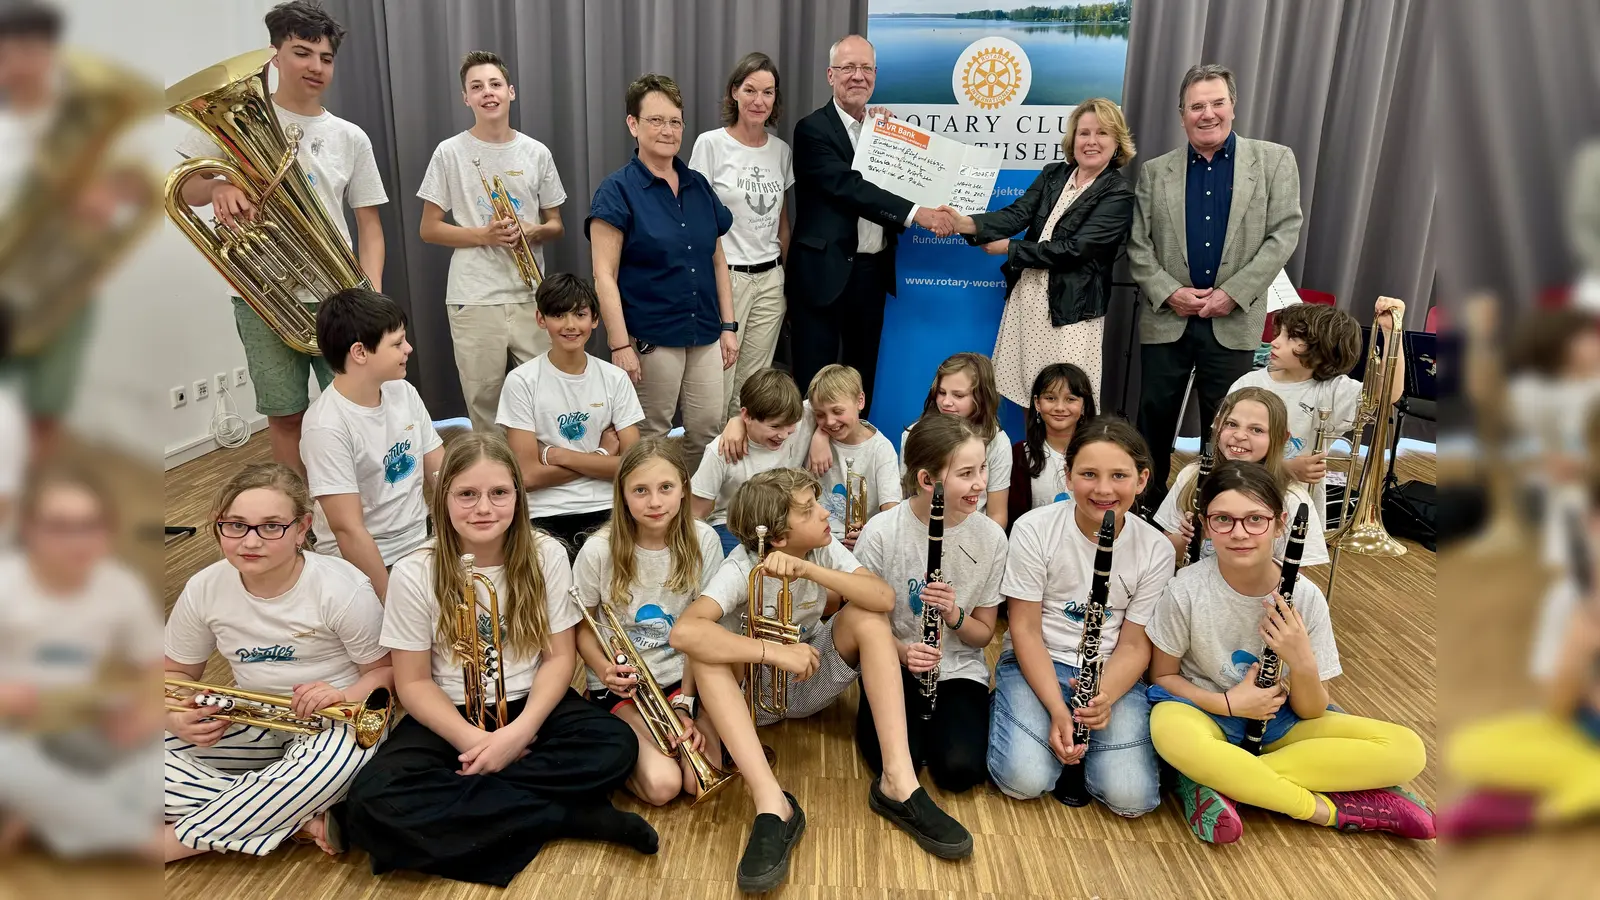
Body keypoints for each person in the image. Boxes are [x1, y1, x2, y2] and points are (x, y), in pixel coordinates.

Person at [337, 433, 653, 886]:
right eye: (467, 494)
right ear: (442, 498)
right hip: (450, 713)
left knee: (615, 746)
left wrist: (515, 736)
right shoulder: (413, 571)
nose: (483, 508)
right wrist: (474, 739)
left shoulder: (546, 554)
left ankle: (466, 812)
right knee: (372, 801)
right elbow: (413, 683)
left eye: (499, 493)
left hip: (531, 703)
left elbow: (558, 660)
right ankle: (564, 816)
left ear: (518, 497)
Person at [668, 467, 971, 893]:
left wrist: (809, 571)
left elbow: (883, 597)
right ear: (777, 537)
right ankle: (772, 805)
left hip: (808, 678)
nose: (826, 513)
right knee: (706, 654)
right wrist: (772, 652)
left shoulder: (823, 549)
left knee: (868, 616)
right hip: (751, 699)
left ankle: (898, 783)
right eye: (809, 510)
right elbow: (683, 633)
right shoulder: (741, 567)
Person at [1145, 460, 1433, 844]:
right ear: (1206, 525)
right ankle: (1326, 809)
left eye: (1255, 520)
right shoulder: (1186, 589)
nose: (1239, 532)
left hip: (1278, 721)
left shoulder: (1306, 597)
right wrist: (1228, 704)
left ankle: (1220, 780)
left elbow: (1312, 709)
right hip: (1204, 711)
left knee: (1407, 750)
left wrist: (1300, 658)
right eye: (1223, 520)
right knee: (1168, 731)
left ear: (1280, 524)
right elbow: (1162, 677)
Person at [175, 0, 389, 476]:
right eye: (302, 53)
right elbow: (186, 188)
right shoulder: (232, 119)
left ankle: (366, 501)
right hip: (263, 294)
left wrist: (370, 292)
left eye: (326, 58)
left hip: (338, 292)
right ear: (275, 56)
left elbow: (370, 224)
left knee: (357, 406)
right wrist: (219, 185)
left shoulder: (350, 137)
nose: (316, 66)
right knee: (286, 413)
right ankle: (298, 508)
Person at [163, 463, 393, 862]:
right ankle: (296, 821)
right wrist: (175, 716)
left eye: (271, 526)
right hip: (251, 716)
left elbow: (386, 672)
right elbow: (175, 674)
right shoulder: (203, 588)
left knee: (326, 771)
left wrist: (342, 694)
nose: (250, 541)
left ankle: (168, 845)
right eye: (236, 525)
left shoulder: (341, 587)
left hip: (337, 721)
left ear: (302, 528)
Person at [1127, 63, 1303, 506]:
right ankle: (1146, 510)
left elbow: (1283, 234)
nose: (1207, 114)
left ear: (1233, 106)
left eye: (1217, 103)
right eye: (1196, 106)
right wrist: (1170, 292)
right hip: (1167, 319)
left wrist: (1233, 294)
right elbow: (1138, 244)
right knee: (1153, 422)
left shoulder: (1274, 161)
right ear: (1182, 114)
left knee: (1230, 430)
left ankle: (1220, 511)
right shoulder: (1155, 171)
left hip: (1234, 320)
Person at [986, 418, 1169, 815]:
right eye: (1088, 474)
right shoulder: (1034, 529)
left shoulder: (1156, 549)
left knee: (1132, 798)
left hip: (1110, 671)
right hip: (1038, 660)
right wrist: (1057, 708)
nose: (1103, 489)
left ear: (1141, 480)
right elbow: (1024, 629)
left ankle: (1076, 748)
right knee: (1023, 780)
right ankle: (1017, 711)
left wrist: (1102, 700)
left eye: (1119, 475)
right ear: (1068, 476)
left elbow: (1135, 645)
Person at [0, 465, 163, 860]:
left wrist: (143, 716)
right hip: (11, 727)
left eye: (90, 526)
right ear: (29, 529)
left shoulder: (121, 585)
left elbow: (156, 667)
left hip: (78, 721)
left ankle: (55, 816)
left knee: (167, 751)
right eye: (59, 527)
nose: (77, 541)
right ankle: (140, 839)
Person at [787, 34, 955, 407]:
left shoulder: (884, 130)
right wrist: (918, 213)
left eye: (866, 68)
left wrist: (886, 137)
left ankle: (858, 444)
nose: (858, 76)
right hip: (822, 272)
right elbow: (850, 187)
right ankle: (809, 447)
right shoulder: (811, 129)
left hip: (871, 271)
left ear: (875, 75)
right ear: (831, 75)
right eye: (848, 67)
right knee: (814, 380)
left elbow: (908, 179)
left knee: (862, 376)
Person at [942, 98, 1136, 410]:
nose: (1091, 141)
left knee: (1066, 400)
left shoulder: (1119, 192)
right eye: (1084, 133)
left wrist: (1010, 248)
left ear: (1117, 143)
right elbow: (1017, 215)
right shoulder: (1053, 174)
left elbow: (1077, 250)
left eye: (1102, 133)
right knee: (1031, 394)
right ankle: (1034, 444)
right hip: (1028, 299)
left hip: (1071, 310)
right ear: (1072, 139)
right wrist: (964, 223)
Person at [588, 73, 739, 468]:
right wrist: (620, 345)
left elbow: (717, 260)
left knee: (707, 431)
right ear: (633, 124)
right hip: (651, 337)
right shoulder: (617, 190)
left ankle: (690, 501)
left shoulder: (698, 185)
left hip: (705, 331)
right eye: (655, 120)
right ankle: (647, 502)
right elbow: (604, 276)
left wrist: (728, 326)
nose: (667, 131)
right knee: (650, 434)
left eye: (675, 121)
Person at [1439, 473, 1600, 839]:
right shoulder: (1569, 601)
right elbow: (1557, 709)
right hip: (1581, 734)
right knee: (1468, 750)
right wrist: (1578, 649)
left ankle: (1535, 806)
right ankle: (1567, 793)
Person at [853, 413, 1007, 793]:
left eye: (982, 469)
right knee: (898, 759)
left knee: (959, 772)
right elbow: (860, 624)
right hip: (892, 663)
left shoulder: (991, 539)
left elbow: (983, 635)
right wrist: (902, 653)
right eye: (966, 474)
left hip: (958, 668)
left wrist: (954, 615)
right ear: (926, 481)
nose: (980, 483)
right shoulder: (882, 533)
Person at [418, 50, 568, 434]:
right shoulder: (450, 152)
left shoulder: (536, 153)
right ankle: (495, 469)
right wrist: (482, 235)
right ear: (466, 98)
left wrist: (532, 230)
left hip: (530, 294)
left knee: (542, 395)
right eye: (477, 87)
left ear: (511, 92)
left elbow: (557, 225)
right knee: (484, 403)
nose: (488, 92)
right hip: (474, 297)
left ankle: (539, 464)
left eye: (495, 84)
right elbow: (429, 229)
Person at [573, 438, 726, 805]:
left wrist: (685, 703)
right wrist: (604, 670)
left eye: (666, 488)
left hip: (685, 678)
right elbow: (583, 628)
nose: (655, 502)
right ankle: (610, 734)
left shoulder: (704, 540)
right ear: (623, 495)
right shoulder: (598, 550)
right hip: (624, 686)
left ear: (684, 489)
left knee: (696, 780)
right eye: (640, 490)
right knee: (663, 786)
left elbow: (704, 631)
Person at [301, 287, 443, 600]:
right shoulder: (325, 426)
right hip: (366, 563)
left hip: (421, 543)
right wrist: (390, 603)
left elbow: (441, 473)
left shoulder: (403, 391)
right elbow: (348, 530)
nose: (409, 348)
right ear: (360, 353)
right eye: (397, 343)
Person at [497, 274, 642, 558]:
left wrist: (556, 454)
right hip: (545, 511)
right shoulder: (522, 381)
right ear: (541, 319)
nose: (570, 325)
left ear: (595, 319)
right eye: (558, 315)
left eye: (580, 314)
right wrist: (601, 455)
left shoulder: (614, 378)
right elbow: (528, 476)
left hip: (608, 506)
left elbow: (633, 466)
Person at [1230, 298, 1405, 524]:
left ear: (1322, 350)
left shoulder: (1333, 390)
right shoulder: (1249, 383)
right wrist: (1285, 468)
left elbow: (1388, 394)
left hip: (1300, 508)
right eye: (1279, 333)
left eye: (1291, 337)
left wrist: (1391, 332)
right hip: (1240, 497)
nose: (1274, 342)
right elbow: (1225, 450)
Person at [689, 52, 793, 420]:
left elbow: (782, 223)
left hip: (770, 280)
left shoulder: (781, 151)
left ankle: (745, 452)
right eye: (750, 90)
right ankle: (716, 449)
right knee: (719, 380)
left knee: (754, 385)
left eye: (768, 92)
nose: (758, 100)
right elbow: (698, 220)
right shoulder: (711, 145)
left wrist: (786, 278)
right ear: (734, 92)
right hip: (727, 278)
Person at [715, 364, 900, 549]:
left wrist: (868, 534)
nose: (830, 421)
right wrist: (737, 422)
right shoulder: (809, 420)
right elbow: (766, 411)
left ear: (860, 401)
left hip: (853, 544)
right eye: (820, 415)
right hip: (805, 539)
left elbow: (891, 514)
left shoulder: (881, 450)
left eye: (837, 412)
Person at [1155, 387, 1329, 566]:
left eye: (1256, 430)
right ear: (1217, 425)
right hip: (1193, 580)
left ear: (1282, 438)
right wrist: (1190, 537)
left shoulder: (1293, 499)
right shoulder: (1192, 475)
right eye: (1231, 424)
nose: (1239, 435)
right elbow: (1167, 551)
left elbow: (1296, 574)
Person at [691, 367, 805, 553]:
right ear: (746, 415)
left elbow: (831, 404)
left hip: (785, 521)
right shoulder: (720, 450)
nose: (784, 435)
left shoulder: (800, 419)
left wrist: (822, 436)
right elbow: (696, 514)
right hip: (734, 525)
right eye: (775, 426)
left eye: (790, 425)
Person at [900, 353, 1011, 529]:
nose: (946, 402)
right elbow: (906, 496)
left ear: (981, 397)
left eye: (958, 395)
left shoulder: (998, 442)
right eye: (941, 392)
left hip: (973, 534)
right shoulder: (914, 434)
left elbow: (997, 514)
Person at [1009, 362, 1097, 528]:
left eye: (1070, 399)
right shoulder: (1021, 455)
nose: (1059, 407)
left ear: (1084, 405)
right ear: (1037, 403)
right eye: (1050, 398)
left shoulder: (1100, 454)